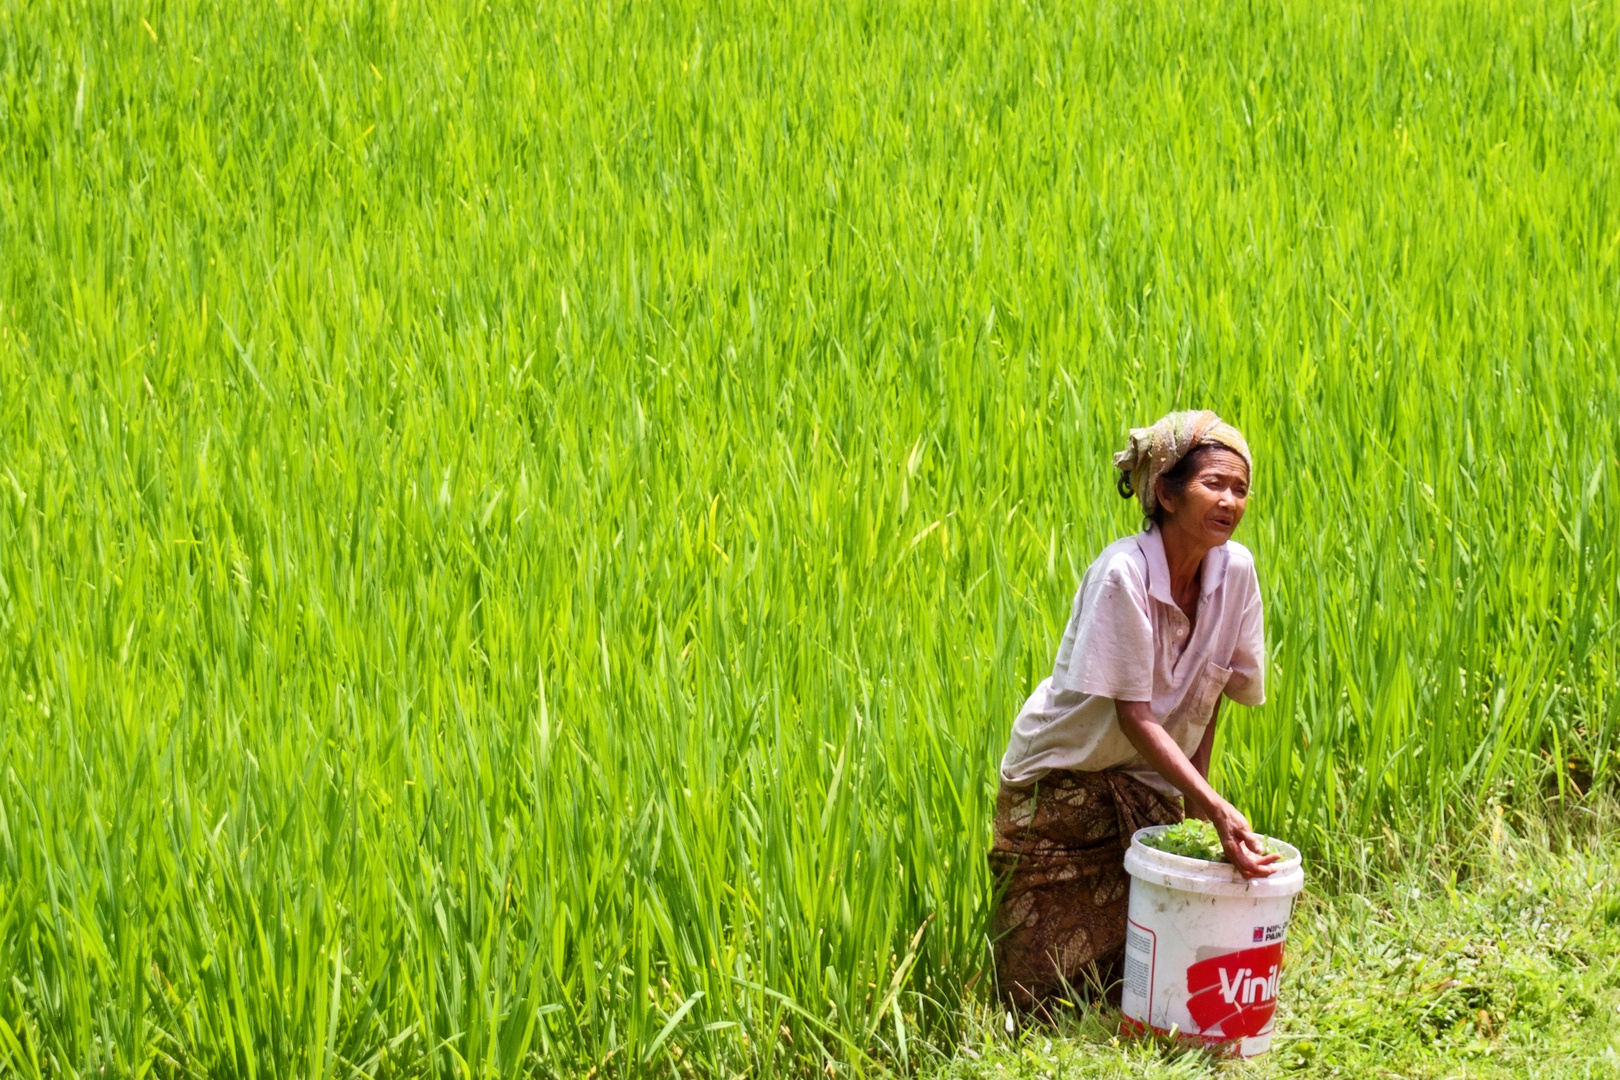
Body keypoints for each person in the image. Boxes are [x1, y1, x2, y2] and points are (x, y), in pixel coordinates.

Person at [987, 410, 1277, 1012]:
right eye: (1213, 484)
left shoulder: (1238, 574)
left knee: (1147, 965)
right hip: (1059, 787)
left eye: (1240, 489)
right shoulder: (1124, 573)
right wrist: (1218, 809)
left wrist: (1199, 799)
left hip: (1144, 780)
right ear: (1165, 493)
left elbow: (1212, 690)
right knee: (1036, 996)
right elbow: (1134, 714)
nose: (1230, 500)